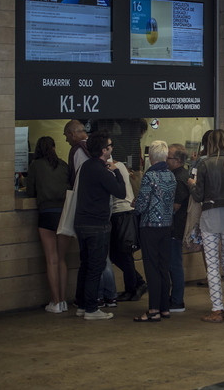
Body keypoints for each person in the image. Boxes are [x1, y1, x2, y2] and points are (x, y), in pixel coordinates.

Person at [188, 129, 224, 323]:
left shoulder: (205, 164)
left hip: (210, 216)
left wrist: (191, 184)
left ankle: (217, 309)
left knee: (212, 264)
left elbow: (198, 195)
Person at [73, 130, 126, 320]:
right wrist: (117, 171)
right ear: (104, 150)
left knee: (85, 265)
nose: (112, 148)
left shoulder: (86, 167)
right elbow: (120, 192)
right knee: (96, 267)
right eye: (110, 146)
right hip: (98, 224)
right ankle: (91, 309)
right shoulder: (103, 170)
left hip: (81, 222)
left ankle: (82, 305)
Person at [133, 141, 176, 322]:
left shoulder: (150, 177)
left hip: (150, 226)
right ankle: (164, 308)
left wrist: (135, 205)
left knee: (151, 268)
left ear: (150, 157)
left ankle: (153, 310)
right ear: (165, 157)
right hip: (167, 227)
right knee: (163, 267)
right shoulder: (171, 176)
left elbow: (142, 204)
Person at [26, 136, 71, 313]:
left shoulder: (35, 165)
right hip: (64, 213)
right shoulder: (63, 165)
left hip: (46, 213)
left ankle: (56, 302)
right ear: (53, 147)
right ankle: (65, 301)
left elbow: (31, 191)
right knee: (62, 260)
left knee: (51, 260)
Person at [111, 158, 148, 303]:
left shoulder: (114, 167)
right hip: (126, 212)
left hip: (121, 213)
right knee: (121, 254)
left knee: (122, 254)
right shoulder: (120, 165)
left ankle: (131, 289)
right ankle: (137, 283)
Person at [166, 143, 190, 312]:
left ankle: (177, 300)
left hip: (176, 227)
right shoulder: (177, 175)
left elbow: (175, 206)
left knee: (174, 264)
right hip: (175, 226)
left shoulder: (179, 178)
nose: (166, 160)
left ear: (178, 160)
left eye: (169, 157)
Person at [63, 119, 89, 188]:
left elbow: (79, 177)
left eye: (66, 135)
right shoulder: (100, 146)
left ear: (72, 133)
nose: (66, 140)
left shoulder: (79, 150)